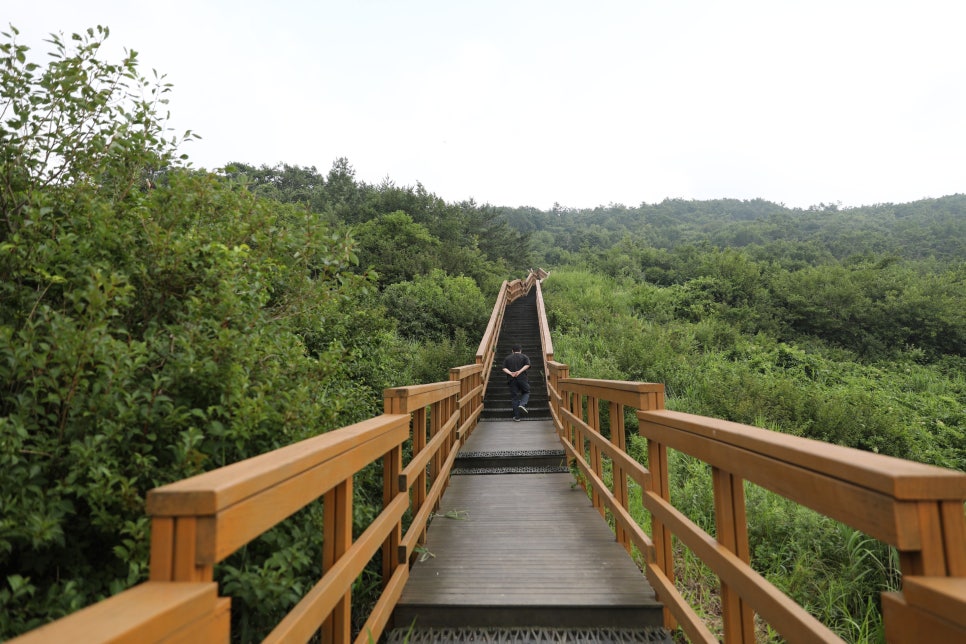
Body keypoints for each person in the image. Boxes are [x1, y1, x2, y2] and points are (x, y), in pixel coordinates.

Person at [502, 345, 531, 421]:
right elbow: (527, 365)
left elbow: (504, 368)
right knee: (526, 392)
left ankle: (517, 417)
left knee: (514, 397)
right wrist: (519, 371)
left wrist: (511, 373)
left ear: (512, 351)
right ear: (520, 350)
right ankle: (522, 404)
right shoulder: (524, 356)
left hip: (512, 379)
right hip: (522, 378)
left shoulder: (507, 358)